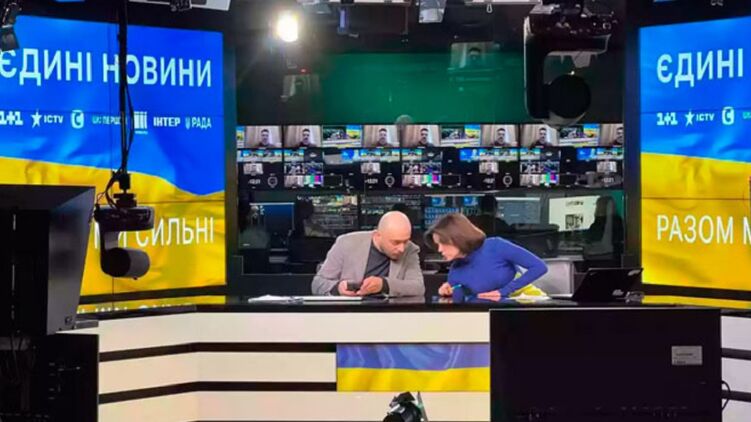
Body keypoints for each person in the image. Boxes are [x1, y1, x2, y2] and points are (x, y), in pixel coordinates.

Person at [428, 213, 547, 300]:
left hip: (529, 304)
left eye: (443, 243)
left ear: (458, 238)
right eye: (437, 244)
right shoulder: (455, 272)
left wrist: (503, 291)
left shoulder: (496, 246)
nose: (439, 249)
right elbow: (465, 303)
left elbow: (539, 267)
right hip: (495, 316)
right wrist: (448, 293)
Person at [311, 211, 425, 297]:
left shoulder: (410, 249)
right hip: (349, 314)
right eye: (396, 242)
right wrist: (337, 288)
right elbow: (318, 284)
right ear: (378, 235)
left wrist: (384, 285)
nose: (402, 248)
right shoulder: (346, 243)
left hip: (389, 315)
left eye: (405, 241)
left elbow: (418, 287)